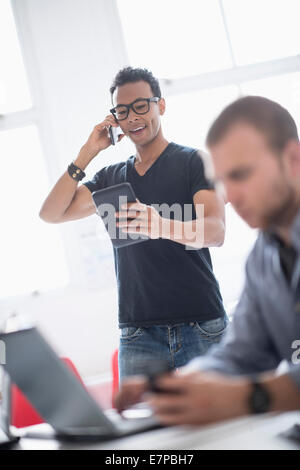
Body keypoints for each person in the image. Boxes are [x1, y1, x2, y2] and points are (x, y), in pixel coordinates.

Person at [114, 95, 300, 423]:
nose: (230, 195)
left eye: (241, 175)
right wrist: (180, 383)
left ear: (294, 160)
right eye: (221, 181)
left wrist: (249, 396)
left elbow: (249, 384)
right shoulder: (262, 259)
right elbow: (241, 353)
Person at [39, 66, 228, 381]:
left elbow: (216, 231)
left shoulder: (194, 161)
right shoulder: (110, 177)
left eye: (141, 106)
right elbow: (51, 213)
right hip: (139, 336)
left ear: (161, 106)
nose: (133, 117)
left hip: (202, 327)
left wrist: (160, 225)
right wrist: (87, 153)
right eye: (122, 111)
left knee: (225, 425)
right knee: (144, 428)